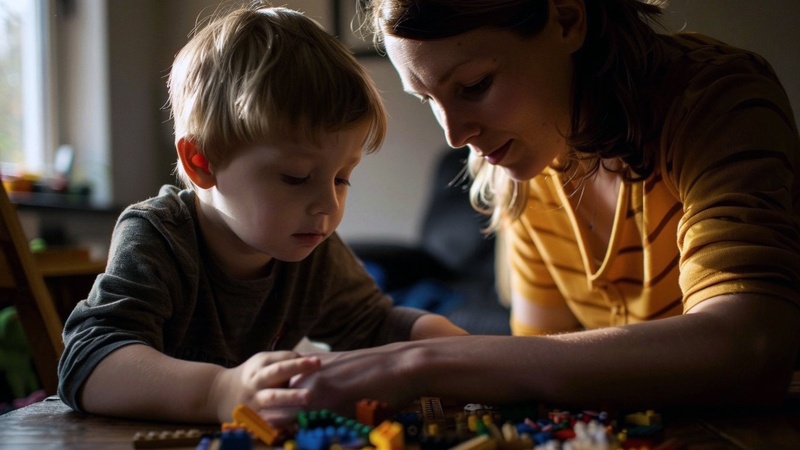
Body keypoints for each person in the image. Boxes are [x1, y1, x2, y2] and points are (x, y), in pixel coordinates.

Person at [291, 0, 800, 416]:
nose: (455, 134)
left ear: (567, 18)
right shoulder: (520, 165)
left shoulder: (717, 101)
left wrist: (426, 362)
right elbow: (546, 367)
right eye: (427, 98)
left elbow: (751, 347)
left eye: (474, 86)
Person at [56, 2, 466, 424]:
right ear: (202, 162)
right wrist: (218, 391)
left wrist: (439, 342)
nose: (328, 204)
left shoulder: (312, 251)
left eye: (342, 178)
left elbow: (376, 324)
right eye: (295, 177)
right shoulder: (158, 236)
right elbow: (87, 361)